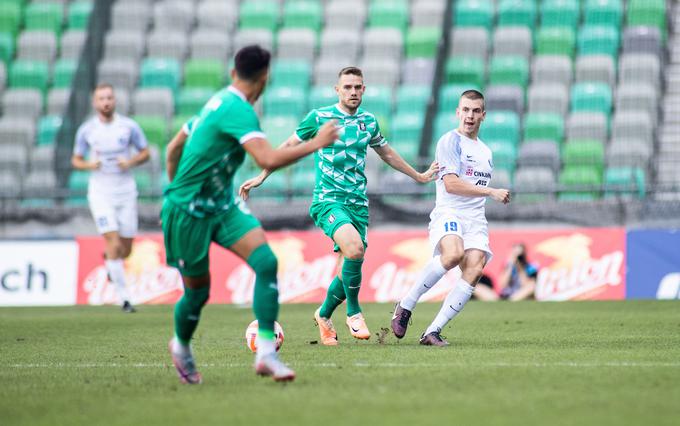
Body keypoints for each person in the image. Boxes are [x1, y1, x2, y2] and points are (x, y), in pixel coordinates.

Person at [162, 45, 338, 384]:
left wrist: (176, 187)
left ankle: (267, 353)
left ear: (233, 73)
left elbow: (173, 149)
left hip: (221, 206)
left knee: (266, 263)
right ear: (266, 77)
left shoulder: (216, 103)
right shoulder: (237, 110)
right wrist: (317, 143)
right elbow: (267, 160)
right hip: (188, 214)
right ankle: (181, 346)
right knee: (198, 292)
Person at [239, 67, 438, 346]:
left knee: (348, 269)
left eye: (358, 87)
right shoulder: (319, 118)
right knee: (355, 249)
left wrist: (417, 176)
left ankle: (323, 315)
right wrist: (262, 175)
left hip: (358, 204)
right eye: (347, 87)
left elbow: (387, 153)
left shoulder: (369, 122)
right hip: (328, 200)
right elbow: (289, 145)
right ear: (337, 90)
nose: (353, 92)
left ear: (364, 90)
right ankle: (354, 313)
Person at [390, 90, 511, 346]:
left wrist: (486, 194)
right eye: (465, 110)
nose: (470, 115)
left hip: (475, 219)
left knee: (475, 268)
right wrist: (491, 191)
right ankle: (405, 305)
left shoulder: (486, 151)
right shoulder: (449, 141)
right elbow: (452, 185)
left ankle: (432, 331)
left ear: (483, 115)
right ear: (458, 112)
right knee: (453, 254)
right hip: (450, 212)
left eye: (475, 111)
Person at [71, 83, 150, 313]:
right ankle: (125, 298)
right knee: (113, 242)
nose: (106, 102)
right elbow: (75, 159)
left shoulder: (128, 127)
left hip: (125, 192)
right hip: (101, 193)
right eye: (101, 99)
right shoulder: (87, 130)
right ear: (95, 103)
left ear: (114, 101)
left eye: (109, 98)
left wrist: (131, 161)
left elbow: (145, 152)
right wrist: (88, 164)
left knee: (126, 249)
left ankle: (109, 261)